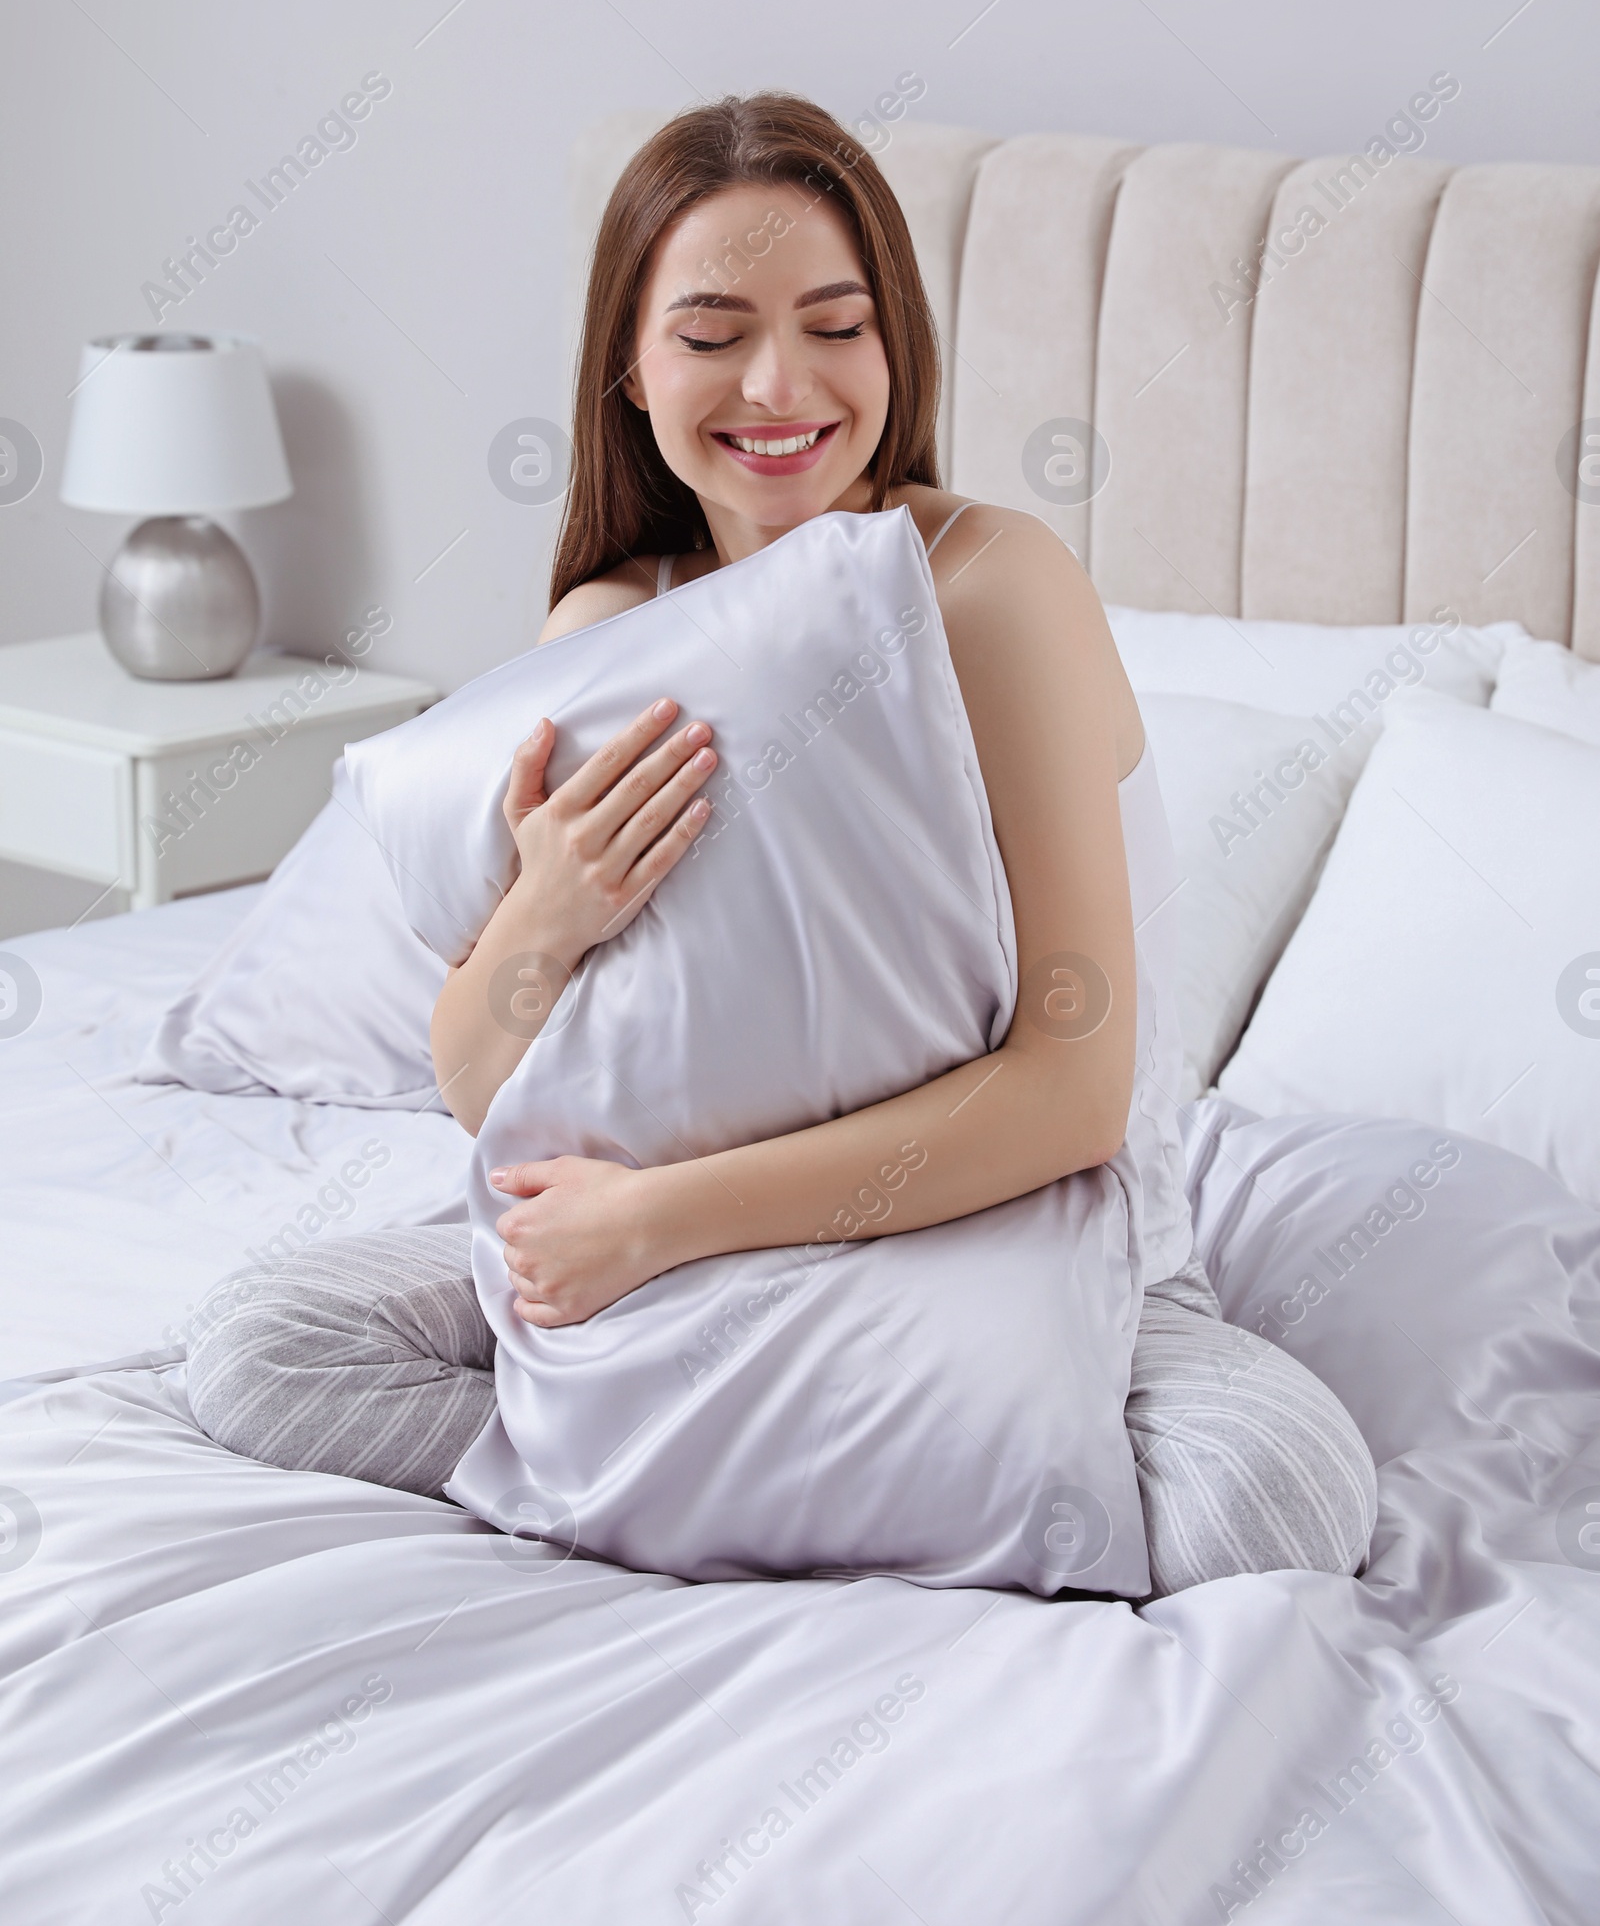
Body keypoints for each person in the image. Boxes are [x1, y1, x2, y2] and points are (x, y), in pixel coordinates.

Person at [187, 94, 1376, 1597]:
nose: (779, 383)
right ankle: (765, 1463)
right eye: (710, 332)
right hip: (672, 1275)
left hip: (999, 1231)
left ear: (897, 351)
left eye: (835, 325)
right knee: (259, 1353)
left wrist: (650, 1222)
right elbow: (484, 1086)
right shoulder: (613, 629)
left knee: (1272, 1502)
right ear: (629, 363)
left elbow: (1073, 1094)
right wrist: (545, 917)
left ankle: (686, 1469)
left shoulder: (994, 590)